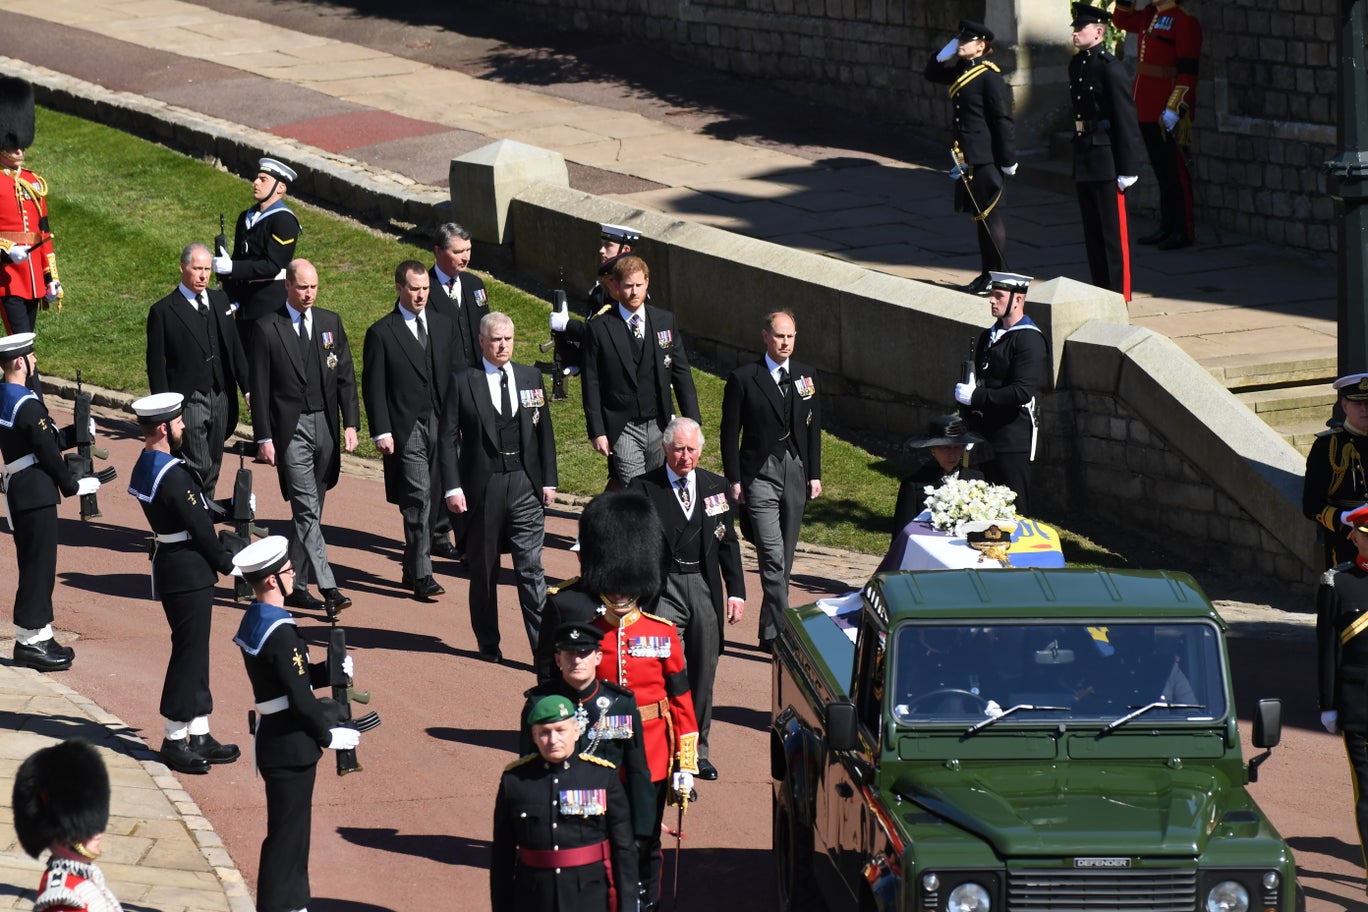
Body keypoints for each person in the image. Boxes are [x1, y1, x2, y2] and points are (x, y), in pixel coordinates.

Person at [534, 489, 699, 912]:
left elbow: (680, 701)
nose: (620, 593)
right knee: (597, 830)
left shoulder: (661, 633)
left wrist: (686, 763)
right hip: (597, 749)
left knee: (646, 837)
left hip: (653, 747)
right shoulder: (586, 631)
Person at [231, 535, 362, 912]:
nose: (293, 575)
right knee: (288, 835)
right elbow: (299, 697)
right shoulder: (281, 630)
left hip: (277, 736)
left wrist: (325, 670)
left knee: (291, 833)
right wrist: (327, 734)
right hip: (291, 742)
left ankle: (292, 902)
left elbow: (289, 676)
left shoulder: (258, 617)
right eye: (289, 570)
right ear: (272, 580)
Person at [127, 392, 241, 774]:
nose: (182, 426)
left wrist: (227, 506)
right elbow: (198, 525)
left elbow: (193, 509)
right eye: (177, 422)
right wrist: (231, 564)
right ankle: (175, 736)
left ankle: (199, 729)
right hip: (188, 570)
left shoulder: (148, 463)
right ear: (163, 427)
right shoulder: (172, 473)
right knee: (188, 652)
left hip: (174, 565)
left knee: (195, 650)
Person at [630, 417, 744, 780]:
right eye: (678, 449)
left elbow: (728, 543)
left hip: (705, 587)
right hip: (664, 590)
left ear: (701, 450)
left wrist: (737, 591)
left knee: (703, 672)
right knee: (667, 670)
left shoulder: (717, 486)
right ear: (664, 449)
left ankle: (696, 753)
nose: (684, 456)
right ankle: (662, 748)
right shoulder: (643, 488)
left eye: (691, 449)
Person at [439, 311, 557, 663]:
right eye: (496, 339)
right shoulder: (463, 380)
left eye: (508, 339)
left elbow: (544, 433)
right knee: (485, 567)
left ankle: (543, 651)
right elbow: (446, 439)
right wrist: (452, 488)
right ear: (481, 341)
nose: (503, 345)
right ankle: (488, 641)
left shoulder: (530, 377)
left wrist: (548, 480)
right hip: (483, 486)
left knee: (531, 568)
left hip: (525, 483)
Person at [251, 258, 360, 615]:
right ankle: (327, 586)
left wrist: (350, 424)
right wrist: (264, 438)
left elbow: (345, 376)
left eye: (313, 287)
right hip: (291, 430)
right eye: (302, 287)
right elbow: (261, 389)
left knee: (309, 511)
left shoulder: (331, 323)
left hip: (326, 428)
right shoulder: (268, 327)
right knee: (306, 508)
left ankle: (294, 585)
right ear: (288, 286)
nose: (309, 293)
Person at [0, 332, 105, 671]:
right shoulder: (26, 402)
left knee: (35, 564)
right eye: (32, 358)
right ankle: (30, 641)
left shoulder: (5, 396)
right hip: (36, 491)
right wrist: (73, 484)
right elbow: (47, 449)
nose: (35, 363)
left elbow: (42, 437)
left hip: (21, 486)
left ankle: (39, 632)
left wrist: (77, 432)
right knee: (39, 568)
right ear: (20, 362)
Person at [720, 309, 822, 655]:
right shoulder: (744, 378)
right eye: (779, 336)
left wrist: (815, 473)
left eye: (791, 336)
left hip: (795, 472)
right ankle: (785, 634)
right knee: (773, 558)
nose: (785, 342)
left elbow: (813, 430)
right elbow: (729, 432)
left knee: (786, 560)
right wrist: (734, 478)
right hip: (759, 475)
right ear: (765, 336)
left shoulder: (807, 376)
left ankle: (769, 632)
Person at [362, 260, 459, 600]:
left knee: (434, 497)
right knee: (418, 499)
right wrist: (381, 431)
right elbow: (373, 388)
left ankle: (409, 565)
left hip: (441, 423)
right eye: (414, 289)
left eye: (425, 289)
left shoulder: (445, 325)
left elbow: (457, 376)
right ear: (399, 288)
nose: (421, 295)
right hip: (407, 427)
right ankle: (422, 574)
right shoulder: (382, 332)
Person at [492, 694, 639, 912]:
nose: (553, 740)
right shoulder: (515, 780)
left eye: (560, 730)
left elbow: (624, 850)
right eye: (544, 733)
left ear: (576, 730)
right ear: (533, 736)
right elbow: (502, 856)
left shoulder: (602, 777)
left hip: (589, 897)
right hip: (533, 898)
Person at [519, 621, 655, 840]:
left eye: (584, 653)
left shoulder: (620, 703)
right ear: (558, 659)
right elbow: (526, 766)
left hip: (607, 815)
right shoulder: (540, 703)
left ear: (598, 658)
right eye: (569, 653)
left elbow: (637, 770)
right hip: (555, 813)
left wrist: (642, 830)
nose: (577, 660)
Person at [582, 255, 700, 488]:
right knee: (635, 487)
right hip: (622, 426)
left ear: (647, 282)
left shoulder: (665, 320)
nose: (634, 292)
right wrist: (597, 431)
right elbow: (591, 383)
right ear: (615, 287)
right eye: (628, 286)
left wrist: (693, 422)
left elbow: (681, 372)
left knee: (660, 487)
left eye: (639, 285)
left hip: (660, 422)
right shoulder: (599, 328)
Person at [146, 242, 250, 497]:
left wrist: (248, 389)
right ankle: (194, 521)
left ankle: (202, 517)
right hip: (189, 400)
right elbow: (156, 367)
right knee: (198, 464)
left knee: (213, 464)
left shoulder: (219, 299)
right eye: (197, 269)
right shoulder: (163, 311)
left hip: (221, 396)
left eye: (207, 269)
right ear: (182, 268)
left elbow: (234, 348)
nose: (203, 275)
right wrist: (166, 413)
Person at [924, 21, 1017, 296]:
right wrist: (944, 53)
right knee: (980, 216)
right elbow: (932, 74)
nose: (961, 43)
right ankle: (986, 274)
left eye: (967, 41)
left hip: (985, 156)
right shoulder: (962, 70)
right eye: (959, 40)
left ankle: (997, 277)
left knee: (991, 216)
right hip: (966, 155)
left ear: (981, 45)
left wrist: (1008, 158)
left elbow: (1002, 119)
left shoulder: (989, 76)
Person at [1112, 0, 1202, 250]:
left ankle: (1183, 229)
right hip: (1146, 105)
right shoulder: (1148, 15)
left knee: (1176, 172)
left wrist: (1174, 107)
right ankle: (1166, 225)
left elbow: (1187, 70)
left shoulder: (1185, 20)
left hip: (1167, 108)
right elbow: (1120, 20)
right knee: (1161, 170)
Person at [1069, 2, 1144, 302]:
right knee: (1093, 235)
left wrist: (1128, 167)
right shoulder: (1076, 64)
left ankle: (1119, 298)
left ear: (1099, 32)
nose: (1075, 32)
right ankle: (1100, 293)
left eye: (1081, 28)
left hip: (1107, 158)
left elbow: (1125, 120)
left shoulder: (1110, 69)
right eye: (1074, 27)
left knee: (1113, 238)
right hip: (1085, 154)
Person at [954, 272, 1046, 514]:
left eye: (999, 296)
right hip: (983, 434)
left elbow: (1021, 392)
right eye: (992, 295)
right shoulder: (988, 336)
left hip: (1011, 438)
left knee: (1013, 509)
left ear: (1017, 300)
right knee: (977, 505)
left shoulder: (1029, 340)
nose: (992, 301)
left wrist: (976, 396)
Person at [427, 222, 489, 561]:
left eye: (467, 250)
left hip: (476, 386)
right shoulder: (425, 287)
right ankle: (439, 531)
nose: (464, 258)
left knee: (475, 459)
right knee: (445, 459)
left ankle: (469, 533)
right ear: (439, 252)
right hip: (443, 389)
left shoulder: (476, 286)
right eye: (457, 252)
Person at [1317, 503, 1368, 884]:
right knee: (1367, 791)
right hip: (1358, 704)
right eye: (1361, 535)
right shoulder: (1337, 582)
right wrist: (1328, 704)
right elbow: (1327, 648)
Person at [12, 739, 124, 912]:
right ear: (63, 831)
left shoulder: (80, 878)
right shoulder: (63, 899)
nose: (98, 832)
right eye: (89, 829)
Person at [0, 77, 60, 396]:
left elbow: (44, 233)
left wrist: (51, 277)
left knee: (23, 347)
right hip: (8, 279)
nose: (19, 149)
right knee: (23, 352)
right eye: (12, 144)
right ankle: (34, 406)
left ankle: (14, 403)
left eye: (21, 143)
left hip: (33, 279)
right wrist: (7, 250)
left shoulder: (35, 183)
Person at [214, 158, 301, 358]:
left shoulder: (285, 221)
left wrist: (232, 268)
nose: (256, 182)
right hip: (244, 304)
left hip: (269, 304)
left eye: (263, 179)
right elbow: (239, 256)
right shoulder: (246, 216)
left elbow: (272, 265)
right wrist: (233, 296)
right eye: (257, 178)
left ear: (280, 188)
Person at [549, 223, 640, 374]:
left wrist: (568, 325)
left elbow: (609, 334)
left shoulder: (632, 293)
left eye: (608, 245)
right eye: (601, 245)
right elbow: (594, 332)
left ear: (625, 250)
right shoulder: (600, 289)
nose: (601, 250)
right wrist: (578, 361)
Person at [1304, 374, 1368, 568]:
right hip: (1346, 541)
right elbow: (1311, 504)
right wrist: (1344, 519)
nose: (1364, 410)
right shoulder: (1328, 445)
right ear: (1344, 406)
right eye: (1358, 404)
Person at [890, 414, 987, 542]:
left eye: (957, 448)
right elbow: (901, 534)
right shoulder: (915, 484)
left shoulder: (976, 479)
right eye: (945, 448)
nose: (951, 454)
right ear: (933, 449)